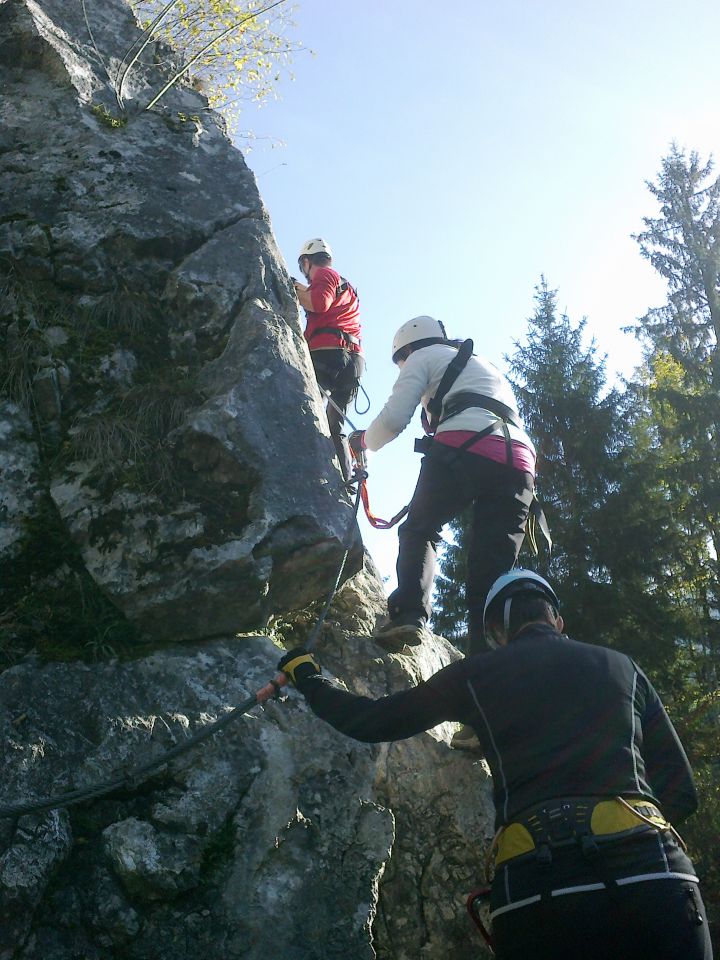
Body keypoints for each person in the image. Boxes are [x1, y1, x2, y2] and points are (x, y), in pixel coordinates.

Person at [276, 570, 713, 960]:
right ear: (556, 619)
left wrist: (307, 675)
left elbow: (372, 721)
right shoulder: (624, 668)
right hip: (653, 873)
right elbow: (681, 792)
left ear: (496, 632)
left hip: (539, 883)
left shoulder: (476, 675)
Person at [348, 315, 538, 654]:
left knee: (420, 529)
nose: (403, 367)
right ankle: (491, 656)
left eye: (400, 361)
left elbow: (393, 420)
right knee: (491, 572)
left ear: (408, 348)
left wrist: (363, 442)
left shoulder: (422, 356)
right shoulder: (483, 365)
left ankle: (409, 613)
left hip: (466, 444)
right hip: (520, 462)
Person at [294, 238, 363, 482]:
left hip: (327, 353)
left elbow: (318, 303)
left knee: (307, 409)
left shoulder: (323, 274)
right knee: (335, 426)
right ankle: (344, 480)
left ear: (306, 261)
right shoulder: (346, 286)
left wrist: (292, 288)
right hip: (353, 362)